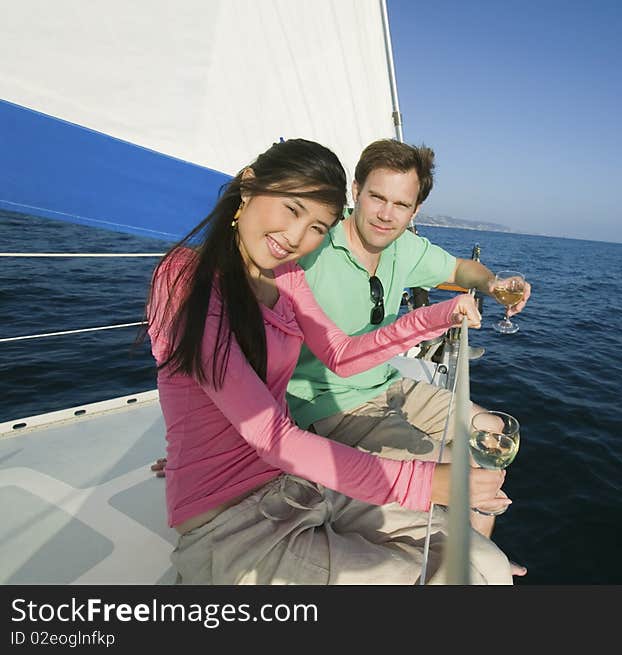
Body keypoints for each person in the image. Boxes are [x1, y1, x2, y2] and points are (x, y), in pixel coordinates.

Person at [145, 138, 513, 584]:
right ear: (248, 189)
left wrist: (436, 316)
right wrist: (423, 483)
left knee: (486, 566)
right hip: (229, 522)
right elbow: (268, 433)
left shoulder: (287, 274)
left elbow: (341, 355)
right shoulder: (185, 278)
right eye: (292, 209)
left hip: (297, 484)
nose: (297, 238)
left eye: (318, 227)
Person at [285, 139, 531, 571]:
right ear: (356, 190)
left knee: (492, 430)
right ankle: (474, 562)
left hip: (389, 384)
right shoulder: (316, 246)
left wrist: (492, 283)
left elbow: (460, 270)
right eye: (376, 197)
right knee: (467, 476)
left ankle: (470, 553)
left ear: (415, 211)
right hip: (331, 403)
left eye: (401, 204)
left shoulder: (404, 247)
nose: (385, 214)